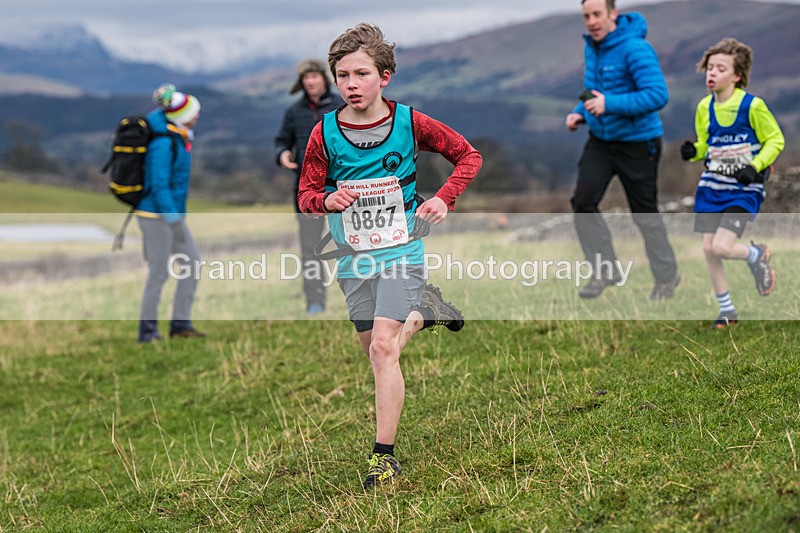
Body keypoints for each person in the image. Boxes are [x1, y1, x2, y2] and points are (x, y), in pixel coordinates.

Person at [297, 23, 481, 489]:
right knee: (378, 352)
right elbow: (305, 194)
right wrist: (326, 201)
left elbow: (468, 157)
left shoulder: (410, 123)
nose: (351, 84)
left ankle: (384, 457)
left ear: (385, 76)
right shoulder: (324, 133)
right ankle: (425, 313)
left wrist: (443, 198)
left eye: (361, 74)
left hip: (402, 249)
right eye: (343, 76)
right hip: (351, 256)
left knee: (383, 349)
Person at [566, 0, 680, 300]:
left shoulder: (635, 49)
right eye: (586, 16)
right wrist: (580, 111)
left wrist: (609, 105)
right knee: (582, 201)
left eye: (597, 14)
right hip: (601, 142)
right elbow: (594, 89)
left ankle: (667, 278)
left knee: (644, 214)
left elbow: (657, 95)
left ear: (612, 14)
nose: (591, 21)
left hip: (638, 143)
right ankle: (605, 270)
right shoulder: (593, 46)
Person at [680, 38, 784, 329]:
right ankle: (727, 311)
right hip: (712, 187)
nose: (711, 73)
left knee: (723, 247)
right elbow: (706, 145)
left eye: (720, 69)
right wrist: (694, 152)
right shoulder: (704, 107)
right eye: (709, 67)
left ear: (736, 76)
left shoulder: (753, 106)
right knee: (709, 249)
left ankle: (756, 254)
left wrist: (755, 166)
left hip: (743, 188)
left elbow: (775, 140)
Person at [136, 83, 205, 342]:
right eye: (193, 112)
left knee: (192, 263)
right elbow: (159, 185)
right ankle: (148, 332)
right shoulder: (163, 143)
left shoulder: (178, 135)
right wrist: (174, 222)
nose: (197, 116)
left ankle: (180, 324)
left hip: (170, 216)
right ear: (182, 116)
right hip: (155, 218)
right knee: (159, 272)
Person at [274, 59, 340, 315]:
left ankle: (363, 296)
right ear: (301, 82)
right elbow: (281, 140)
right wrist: (282, 154)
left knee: (356, 242)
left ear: (324, 78)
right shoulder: (293, 112)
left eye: (315, 76)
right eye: (306, 78)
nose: (311, 81)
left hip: (341, 187)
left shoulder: (341, 106)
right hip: (306, 190)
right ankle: (315, 302)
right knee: (311, 248)